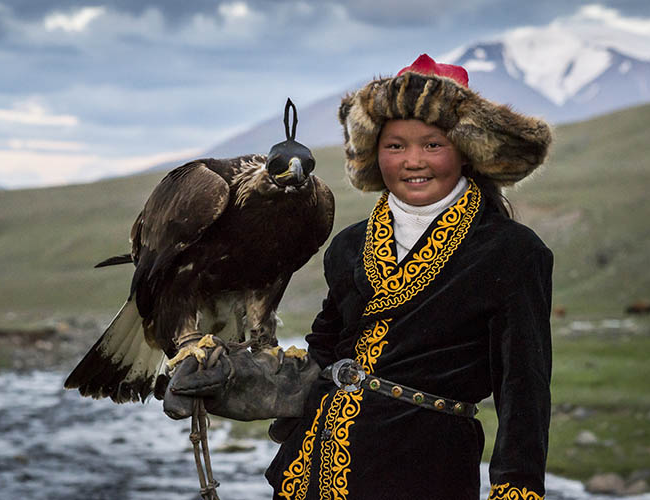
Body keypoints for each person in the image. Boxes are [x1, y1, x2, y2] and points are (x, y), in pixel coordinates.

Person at [166, 54, 554, 500]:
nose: (412, 161)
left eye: (432, 144)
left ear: (466, 153)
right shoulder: (350, 244)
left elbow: (523, 387)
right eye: (395, 146)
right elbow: (325, 354)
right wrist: (234, 378)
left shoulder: (512, 252)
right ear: (373, 154)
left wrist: (516, 490)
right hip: (310, 469)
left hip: (425, 472)